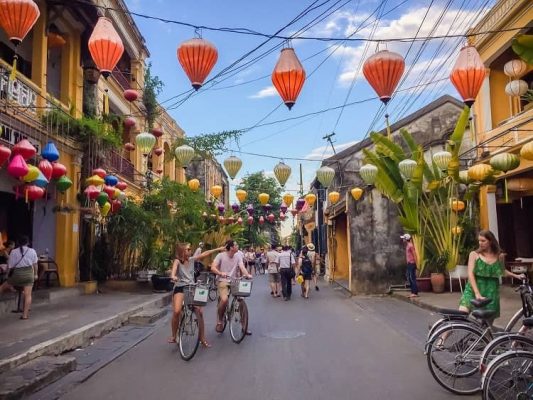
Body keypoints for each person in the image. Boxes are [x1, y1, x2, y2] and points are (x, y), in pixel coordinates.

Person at [459, 230, 525, 321]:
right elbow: (470, 273)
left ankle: (485, 335)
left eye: (483, 241)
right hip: (474, 289)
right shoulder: (474, 254)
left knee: (487, 323)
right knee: (461, 315)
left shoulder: (499, 256)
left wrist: (516, 276)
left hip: (491, 290)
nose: (480, 243)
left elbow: (502, 271)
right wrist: (477, 293)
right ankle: (443, 335)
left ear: (490, 241)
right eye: (479, 241)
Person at [168, 242, 223, 347]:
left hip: (191, 287)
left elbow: (205, 254)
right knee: (176, 311)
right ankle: (174, 336)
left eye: (190, 249)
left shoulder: (192, 260)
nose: (190, 251)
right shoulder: (177, 261)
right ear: (182, 251)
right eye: (188, 249)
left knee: (199, 312)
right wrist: (173, 276)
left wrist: (218, 248)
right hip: (180, 287)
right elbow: (173, 271)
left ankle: (202, 338)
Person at [210, 240, 252, 334]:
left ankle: (244, 327)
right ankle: (220, 320)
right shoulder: (220, 256)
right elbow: (213, 267)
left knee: (241, 301)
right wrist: (220, 273)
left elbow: (242, 267)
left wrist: (247, 274)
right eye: (236, 244)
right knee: (224, 300)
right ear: (231, 247)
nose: (238, 246)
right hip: (223, 281)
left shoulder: (238, 256)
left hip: (234, 281)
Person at [0, 236, 38, 319]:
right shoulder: (32, 251)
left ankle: (11, 288)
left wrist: (7, 276)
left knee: (2, 287)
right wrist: (36, 274)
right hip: (28, 275)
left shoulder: (14, 251)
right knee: (28, 295)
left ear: (18, 243)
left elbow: (10, 266)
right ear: (28, 242)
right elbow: (35, 265)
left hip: (16, 275)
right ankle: (25, 315)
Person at [401, 233, 418, 298]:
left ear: (406, 239)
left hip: (412, 263)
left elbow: (414, 254)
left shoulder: (410, 245)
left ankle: (415, 292)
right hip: (409, 263)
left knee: (412, 277)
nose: (403, 239)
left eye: (403, 238)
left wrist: (416, 264)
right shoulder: (408, 245)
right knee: (410, 277)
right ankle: (412, 292)